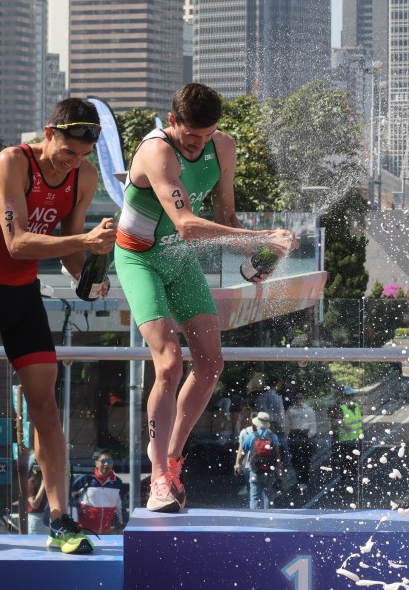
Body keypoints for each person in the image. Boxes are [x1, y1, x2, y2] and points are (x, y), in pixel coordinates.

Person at [115, 83, 296, 513]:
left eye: (206, 135)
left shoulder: (224, 147)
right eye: (190, 136)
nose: (198, 144)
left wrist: (262, 255)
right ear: (172, 121)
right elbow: (187, 225)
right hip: (140, 259)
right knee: (169, 362)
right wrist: (262, 237)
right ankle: (157, 474)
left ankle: (173, 461)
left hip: (180, 261)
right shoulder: (157, 152)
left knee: (212, 363)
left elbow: (224, 219)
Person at [0, 98, 115, 554]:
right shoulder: (11, 163)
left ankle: (61, 520)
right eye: (67, 152)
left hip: (24, 296)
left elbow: (68, 251)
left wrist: (90, 277)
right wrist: (84, 239)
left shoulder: (84, 175)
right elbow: (18, 241)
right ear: (49, 133)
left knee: (45, 407)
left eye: (83, 156)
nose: (73, 163)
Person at [71, 450, 126, 534]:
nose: (106, 464)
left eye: (110, 461)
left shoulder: (116, 483)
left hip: (107, 532)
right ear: (96, 463)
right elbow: (69, 500)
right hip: (84, 532)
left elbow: (120, 507)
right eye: (103, 461)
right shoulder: (85, 479)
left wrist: (123, 526)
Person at [234, 412, 280, 509]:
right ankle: (268, 517)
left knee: (254, 497)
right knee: (268, 496)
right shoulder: (273, 436)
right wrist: (278, 470)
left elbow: (242, 452)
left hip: (255, 471)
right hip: (269, 471)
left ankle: (254, 517)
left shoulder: (251, 436)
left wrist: (238, 465)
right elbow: (277, 455)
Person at [286, 393, 317, 490]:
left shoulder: (309, 410)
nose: (299, 399)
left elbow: (313, 425)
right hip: (294, 436)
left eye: (301, 397)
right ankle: (299, 479)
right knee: (295, 459)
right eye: (297, 398)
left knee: (305, 459)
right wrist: (288, 435)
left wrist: (308, 435)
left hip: (304, 436)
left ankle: (304, 479)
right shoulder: (290, 410)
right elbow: (287, 424)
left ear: (304, 398)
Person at [333, 386, 363, 483]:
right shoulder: (342, 408)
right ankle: (344, 476)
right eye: (348, 396)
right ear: (345, 397)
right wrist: (346, 427)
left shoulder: (356, 406)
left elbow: (359, 420)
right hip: (345, 439)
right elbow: (337, 421)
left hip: (357, 438)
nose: (351, 398)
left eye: (352, 396)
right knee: (345, 459)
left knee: (355, 459)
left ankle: (353, 475)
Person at [25, 460, 49, 535]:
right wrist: (43, 485)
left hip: (46, 517)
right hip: (35, 518)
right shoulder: (30, 483)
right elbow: (34, 505)